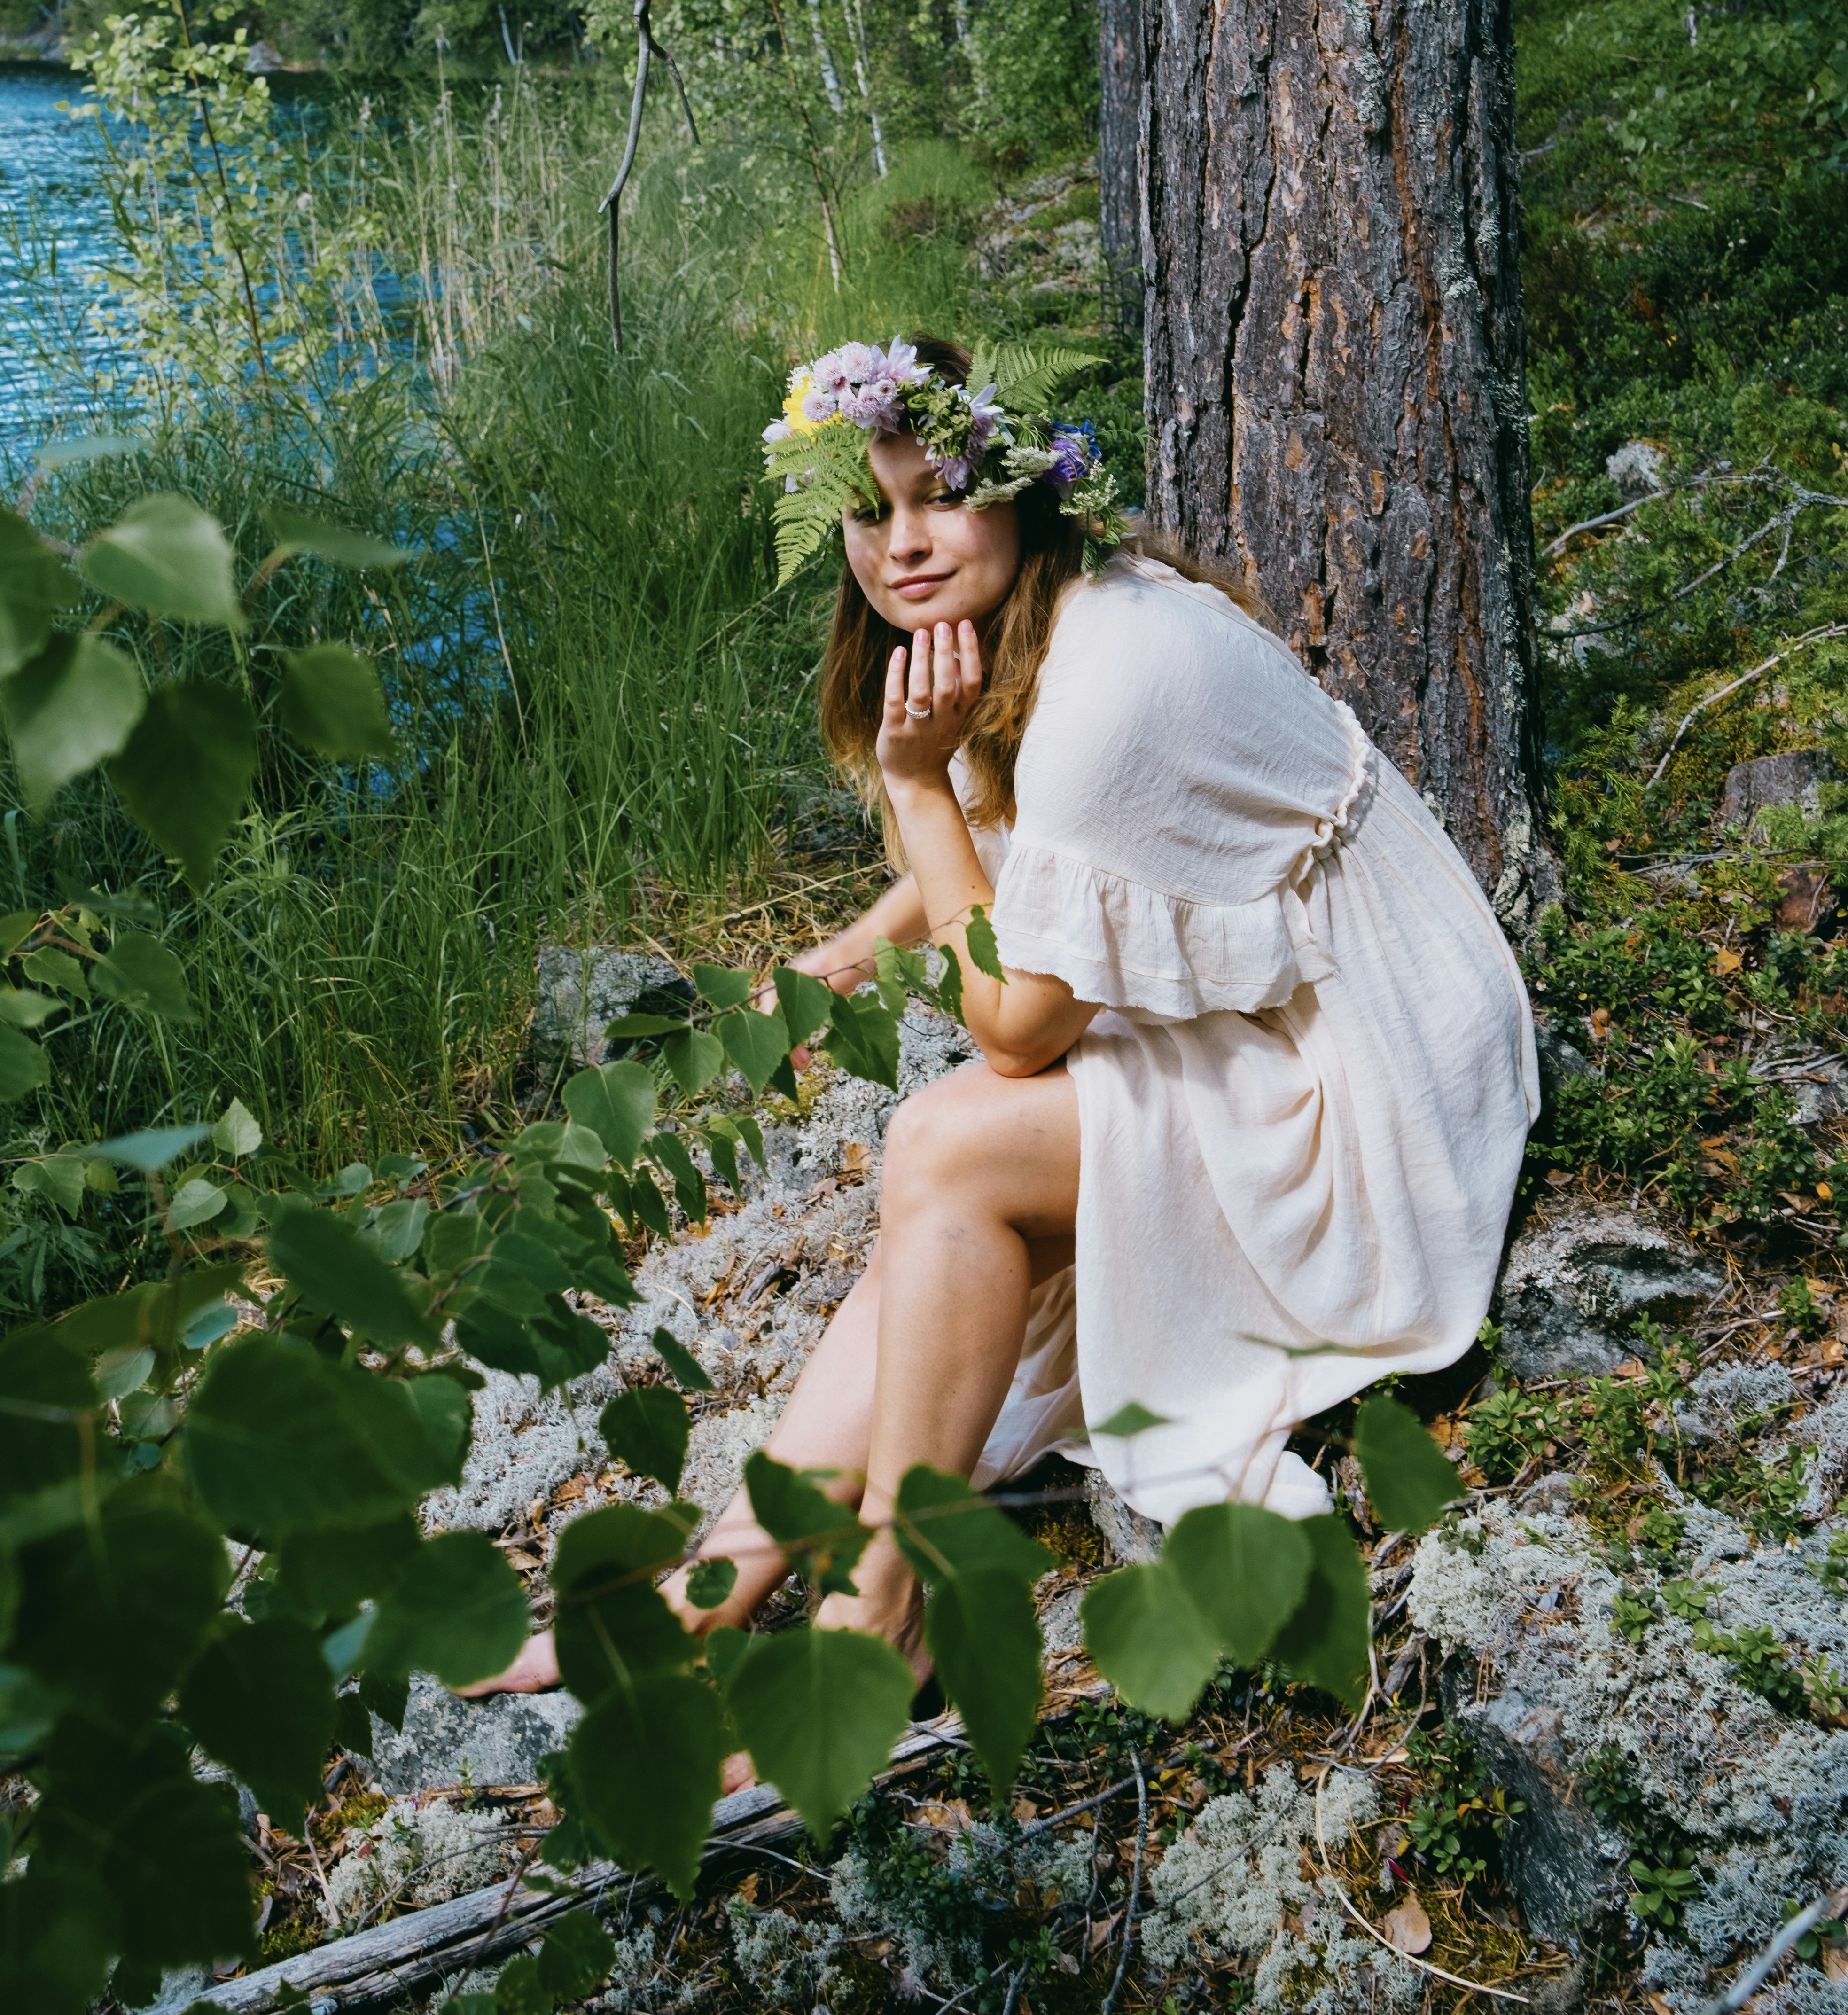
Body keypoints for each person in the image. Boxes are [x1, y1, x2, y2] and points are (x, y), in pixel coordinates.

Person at [469, 332, 1537, 1704]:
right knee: (940, 1182)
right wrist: (847, 948)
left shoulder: (1117, 671)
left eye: (937, 496)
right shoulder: (1024, 620)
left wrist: (916, 791)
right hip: (1281, 1005)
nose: (900, 543)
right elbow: (1026, 855)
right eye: (868, 508)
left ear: (1023, 492)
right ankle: (720, 1578)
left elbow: (1015, 1029)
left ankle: (877, 1625)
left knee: (950, 1141)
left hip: (1375, 1068)